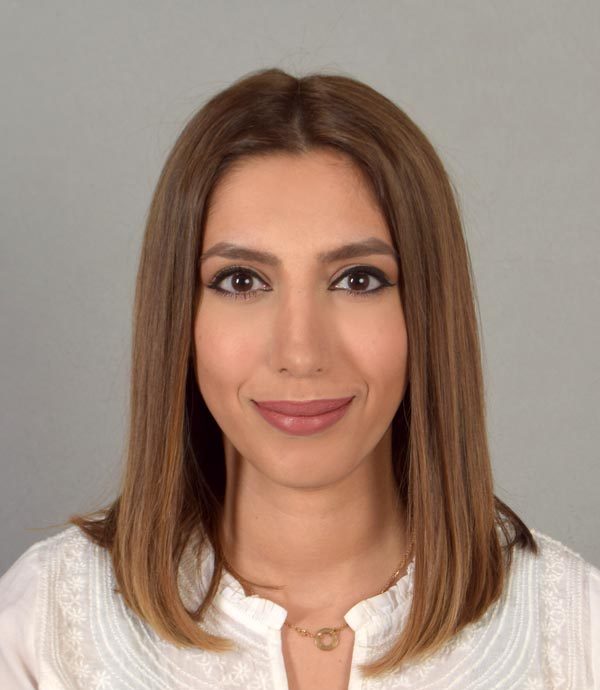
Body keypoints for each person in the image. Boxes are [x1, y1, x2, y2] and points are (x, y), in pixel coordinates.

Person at [0, 67, 598, 690]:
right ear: (179, 318)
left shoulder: (577, 635)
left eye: (358, 279)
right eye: (241, 281)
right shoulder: (42, 632)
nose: (301, 352)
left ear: (428, 313)